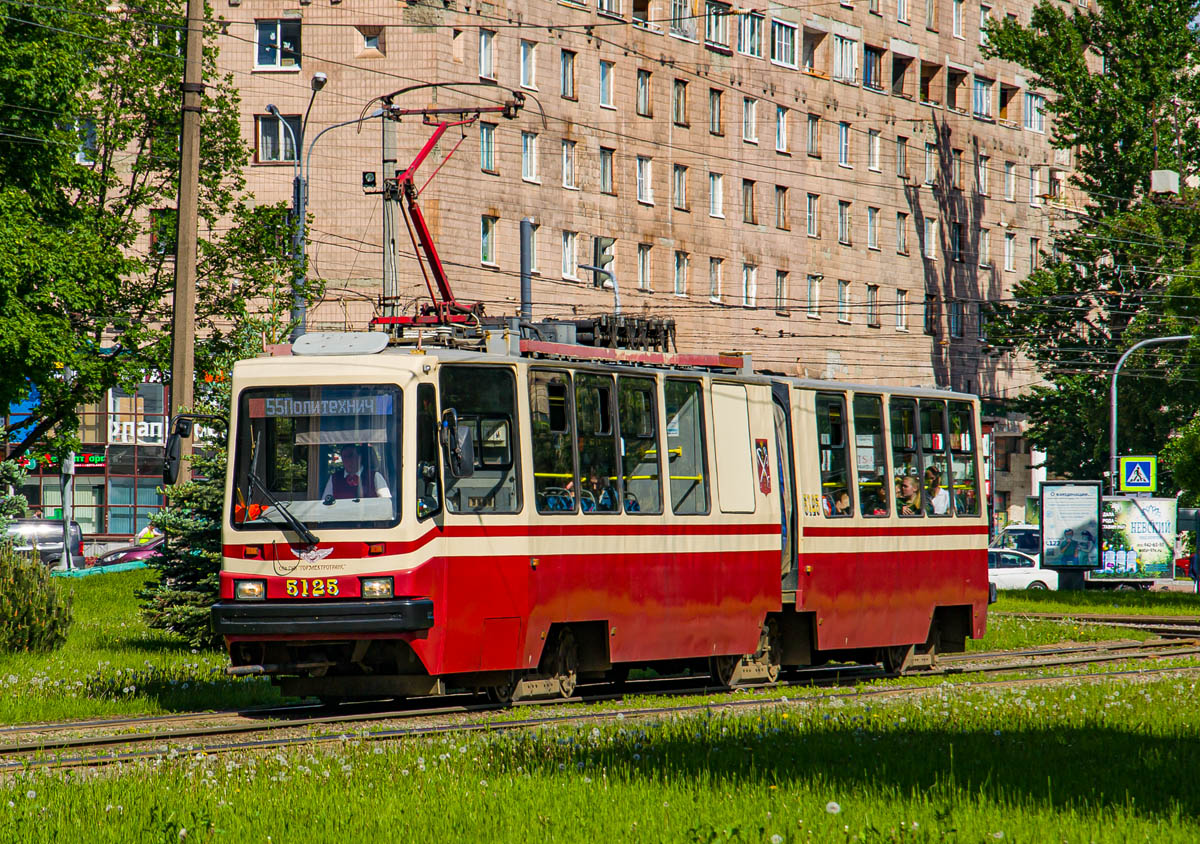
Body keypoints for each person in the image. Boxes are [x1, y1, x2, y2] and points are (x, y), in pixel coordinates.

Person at [322, 444, 391, 500]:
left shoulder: (374, 476)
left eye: (351, 456)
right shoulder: (334, 478)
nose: (347, 460)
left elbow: (386, 501)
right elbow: (325, 501)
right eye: (344, 457)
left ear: (359, 457)